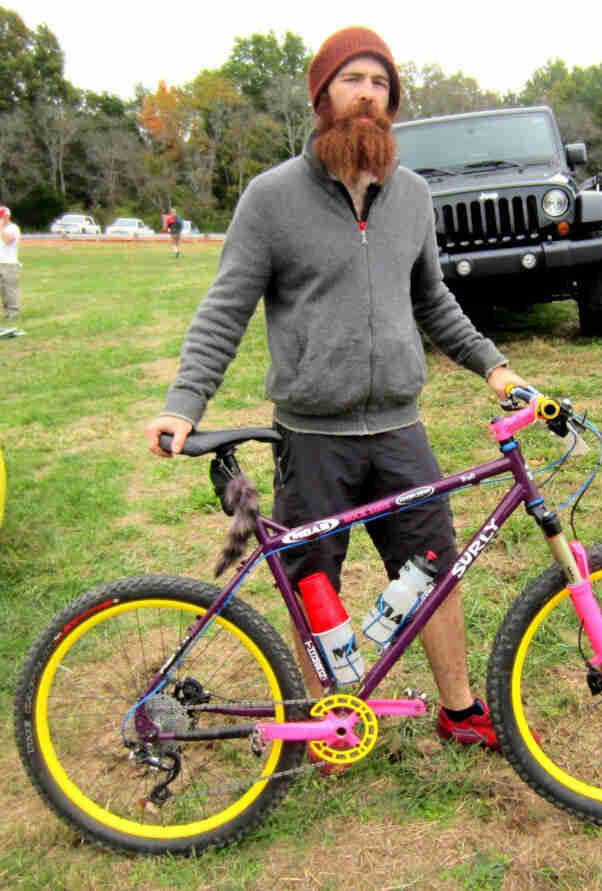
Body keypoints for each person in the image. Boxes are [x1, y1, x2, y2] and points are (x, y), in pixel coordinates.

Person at [145, 26, 529, 754]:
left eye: (380, 84)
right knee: (311, 577)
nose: (367, 95)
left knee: (435, 568)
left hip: (398, 428)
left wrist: (492, 364)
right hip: (311, 433)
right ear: (323, 96)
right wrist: (182, 403)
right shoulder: (271, 199)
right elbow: (225, 308)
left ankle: (459, 706)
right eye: (352, 80)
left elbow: (434, 299)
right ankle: (330, 724)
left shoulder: (412, 196)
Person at [0, 206, 21, 319]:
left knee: (10, 289)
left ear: (7, 216)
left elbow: (8, 241)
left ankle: (13, 312)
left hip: (9, 263)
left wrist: (1, 228)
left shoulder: (13, 228)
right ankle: (6, 312)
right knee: (3, 290)